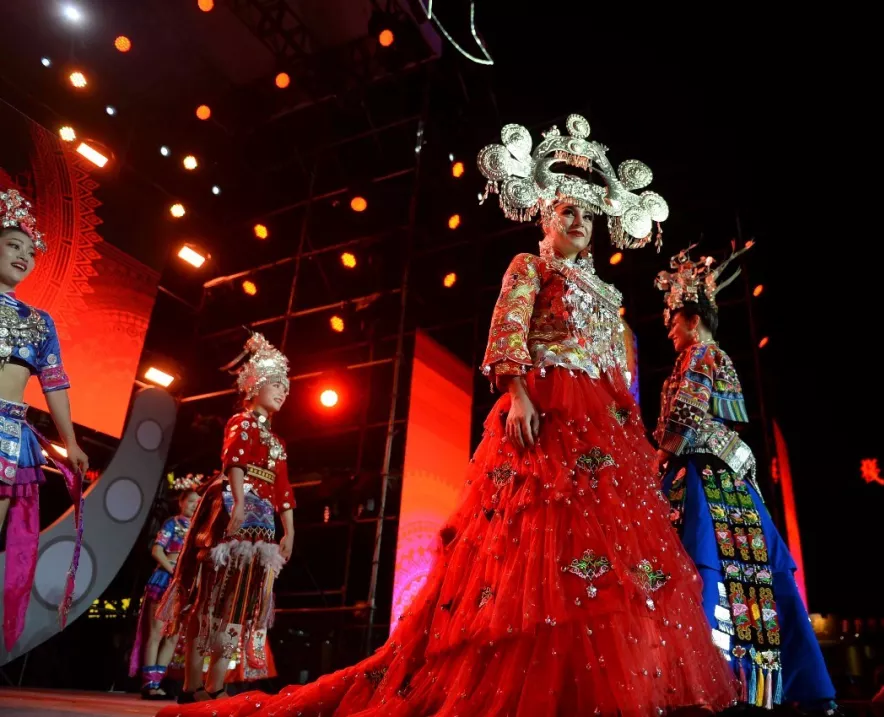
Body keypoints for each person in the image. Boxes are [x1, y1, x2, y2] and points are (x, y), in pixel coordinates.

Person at [156, 114, 737, 717]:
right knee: (532, 551)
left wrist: (630, 435)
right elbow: (508, 328)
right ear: (544, 213)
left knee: (611, 562)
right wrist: (517, 392)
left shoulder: (610, 297)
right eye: (567, 210)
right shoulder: (528, 267)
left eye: (588, 215)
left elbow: (617, 372)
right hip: (546, 410)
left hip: (602, 427)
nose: (578, 222)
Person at [654, 244, 837, 713]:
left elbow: (686, 412)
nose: (668, 329)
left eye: (673, 319)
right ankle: (761, 680)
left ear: (693, 320)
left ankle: (704, 677)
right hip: (732, 479)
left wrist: (660, 457)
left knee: (702, 565)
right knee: (751, 577)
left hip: (699, 474)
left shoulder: (696, 355)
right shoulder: (719, 356)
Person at [155, 332, 295, 703]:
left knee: (241, 603)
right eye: (276, 384)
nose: (283, 391)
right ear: (254, 387)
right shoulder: (241, 422)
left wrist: (290, 531)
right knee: (213, 597)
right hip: (235, 513)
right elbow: (233, 462)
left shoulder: (278, 443)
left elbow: (284, 490)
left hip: (263, 530)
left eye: (286, 387)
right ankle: (193, 683)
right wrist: (237, 503)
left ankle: (217, 682)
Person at [0, 187, 89, 651]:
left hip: (8, 435)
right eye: (13, 244)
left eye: (30, 252)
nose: (23, 256)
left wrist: (70, 442)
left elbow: (54, 383)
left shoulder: (40, 321)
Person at [130, 478, 201, 699]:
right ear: (181, 503)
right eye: (190, 501)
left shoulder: (200, 530)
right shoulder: (173, 524)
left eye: (198, 503)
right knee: (156, 633)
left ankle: (158, 683)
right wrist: (173, 570)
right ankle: (148, 683)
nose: (194, 505)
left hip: (186, 584)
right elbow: (157, 550)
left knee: (173, 636)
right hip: (166, 579)